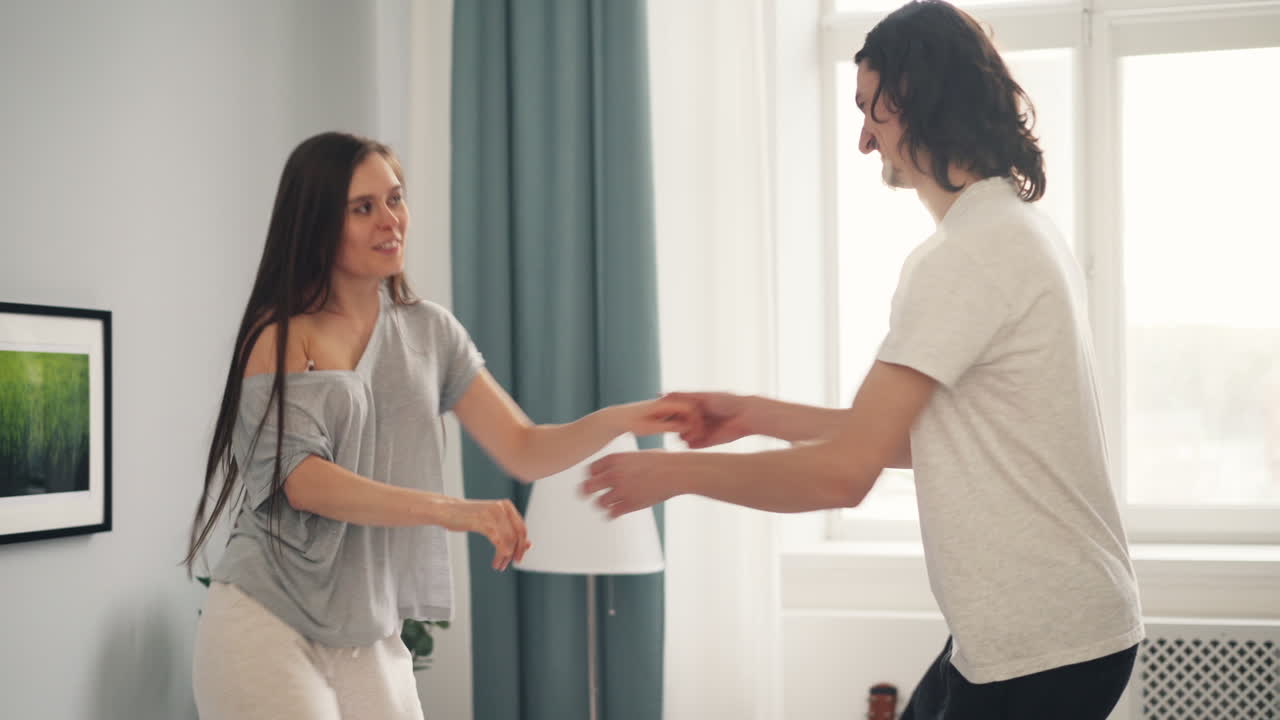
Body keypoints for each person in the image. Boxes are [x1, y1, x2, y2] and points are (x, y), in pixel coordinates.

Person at [581, 2, 1144, 718]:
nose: (863, 140)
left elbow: (845, 474)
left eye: (869, 110)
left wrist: (671, 475)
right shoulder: (1011, 229)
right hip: (1049, 629)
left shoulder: (966, 256)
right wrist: (753, 415)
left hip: (1044, 642)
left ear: (916, 99)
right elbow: (924, 442)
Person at [184, 131, 698, 720]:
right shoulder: (281, 336)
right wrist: (453, 510)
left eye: (395, 198)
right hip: (266, 619)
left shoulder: (430, 332)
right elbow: (304, 482)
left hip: (367, 629)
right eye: (363, 207)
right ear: (317, 224)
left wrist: (625, 417)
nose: (391, 220)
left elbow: (524, 447)